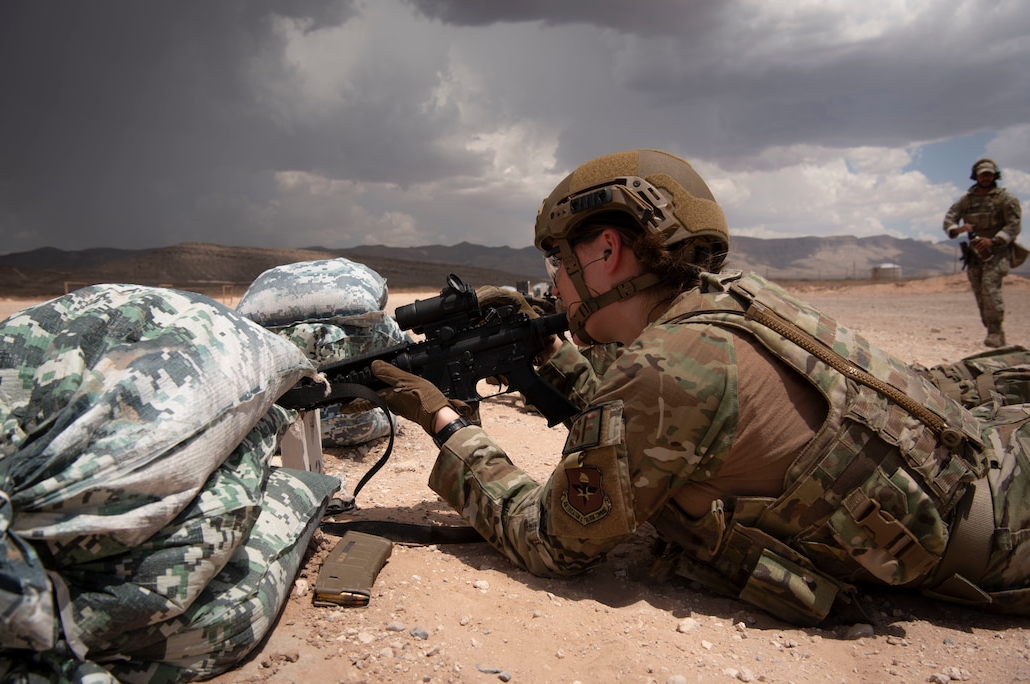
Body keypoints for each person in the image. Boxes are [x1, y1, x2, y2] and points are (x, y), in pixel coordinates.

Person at [371, 149, 1030, 625]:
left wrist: (441, 423)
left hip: (1005, 537)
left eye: (556, 258)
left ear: (607, 250)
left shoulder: (665, 367)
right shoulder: (728, 306)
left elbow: (550, 539)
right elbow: (644, 423)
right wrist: (548, 348)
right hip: (1001, 464)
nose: (555, 280)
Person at [943, 158, 1022, 347]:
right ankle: (993, 331)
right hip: (975, 252)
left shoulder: (1005, 199)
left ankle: (994, 331)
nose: (986, 178)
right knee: (979, 291)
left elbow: (1014, 224)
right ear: (976, 176)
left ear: (994, 175)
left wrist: (994, 240)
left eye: (989, 174)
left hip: (996, 251)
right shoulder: (966, 200)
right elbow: (950, 220)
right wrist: (960, 229)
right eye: (982, 174)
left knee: (990, 287)